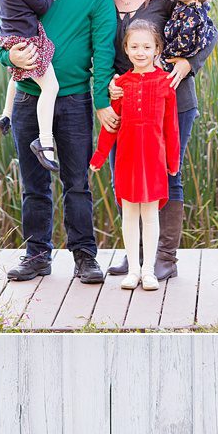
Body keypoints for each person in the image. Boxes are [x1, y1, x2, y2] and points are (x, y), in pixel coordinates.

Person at [0, 0, 116, 285]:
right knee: (33, 184)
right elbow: (1, 32)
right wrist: (7, 56)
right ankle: (37, 255)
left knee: (76, 182)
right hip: (30, 99)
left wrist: (101, 101)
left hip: (74, 100)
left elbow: (104, 52)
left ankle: (84, 255)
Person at [100, 0, 218, 280]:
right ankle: (136, 257)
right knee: (122, 177)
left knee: (169, 173)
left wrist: (189, 64)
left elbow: (209, 32)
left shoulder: (167, 0)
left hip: (171, 99)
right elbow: (96, 44)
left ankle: (164, 257)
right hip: (124, 100)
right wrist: (105, 80)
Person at [89, 20, 180, 291]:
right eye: (134, 46)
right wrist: (99, 156)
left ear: (157, 49)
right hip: (127, 157)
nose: (140, 52)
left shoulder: (165, 84)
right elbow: (111, 126)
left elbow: (171, 127)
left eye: (147, 47)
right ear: (126, 49)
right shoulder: (121, 85)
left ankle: (149, 271)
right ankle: (133, 269)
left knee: (150, 214)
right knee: (129, 213)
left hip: (153, 158)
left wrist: (173, 161)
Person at [0, 0, 60, 171]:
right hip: (26, 42)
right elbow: (42, 5)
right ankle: (44, 143)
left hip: (13, 39)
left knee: (17, 75)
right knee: (51, 87)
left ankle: (7, 114)